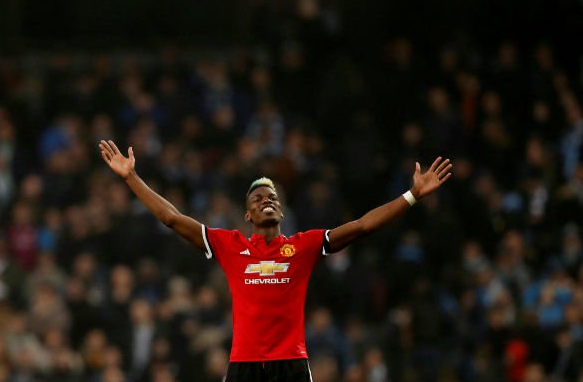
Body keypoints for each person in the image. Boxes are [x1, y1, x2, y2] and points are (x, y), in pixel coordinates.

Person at [99, 140, 452, 382]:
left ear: (280, 209)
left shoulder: (305, 245)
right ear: (247, 215)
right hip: (244, 365)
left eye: (271, 196)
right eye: (257, 198)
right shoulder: (229, 244)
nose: (265, 200)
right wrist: (131, 177)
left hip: (291, 365)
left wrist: (412, 195)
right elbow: (172, 218)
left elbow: (362, 226)